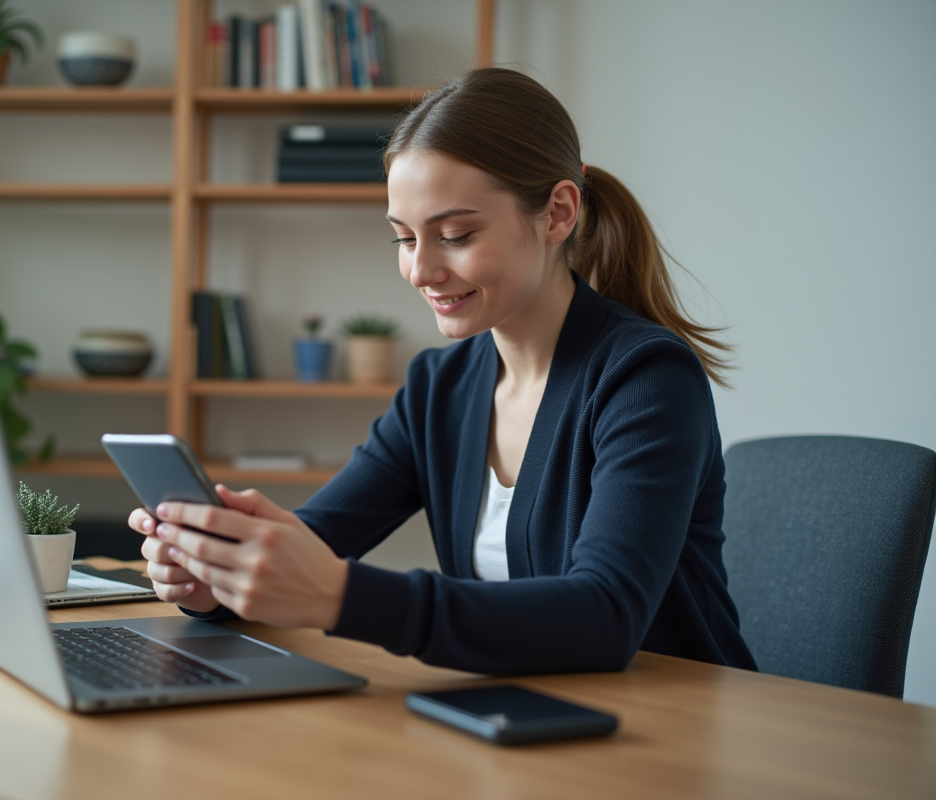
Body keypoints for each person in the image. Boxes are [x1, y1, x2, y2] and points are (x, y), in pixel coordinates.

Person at [130, 67, 757, 675]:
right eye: (404, 239)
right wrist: (214, 579)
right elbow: (315, 544)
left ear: (558, 213)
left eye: (454, 235)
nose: (420, 271)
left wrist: (340, 596)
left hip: (677, 723)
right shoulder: (439, 388)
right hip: (527, 715)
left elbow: (605, 617)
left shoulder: (646, 379)